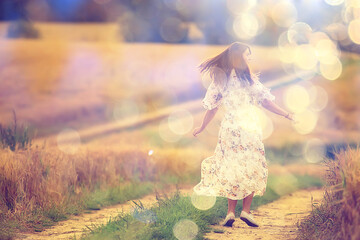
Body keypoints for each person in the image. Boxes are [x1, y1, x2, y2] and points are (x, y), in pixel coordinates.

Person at [192, 42, 297, 228]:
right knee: (252, 166)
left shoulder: (221, 80)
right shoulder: (249, 80)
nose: (249, 58)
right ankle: (246, 212)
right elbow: (266, 102)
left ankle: (230, 213)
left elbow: (213, 108)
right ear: (241, 56)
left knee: (231, 167)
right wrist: (287, 114)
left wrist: (201, 127)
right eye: (247, 55)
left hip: (230, 129)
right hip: (250, 128)